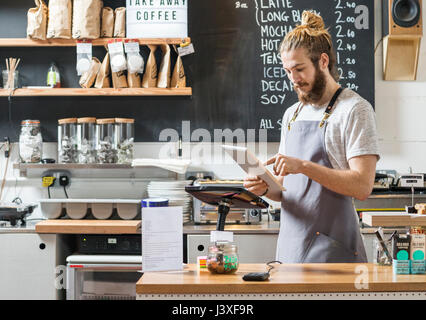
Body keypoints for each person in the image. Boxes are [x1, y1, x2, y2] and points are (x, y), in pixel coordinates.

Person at [244, 11, 380, 263]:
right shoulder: (292, 114)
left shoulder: (354, 110)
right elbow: (286, 192)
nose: (293, 79)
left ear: (323, 61)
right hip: (291, 247)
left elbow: (362, 186)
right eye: (287, 71)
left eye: (299, 69)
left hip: (332, 251)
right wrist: (265, 188)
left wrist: (304, 166)